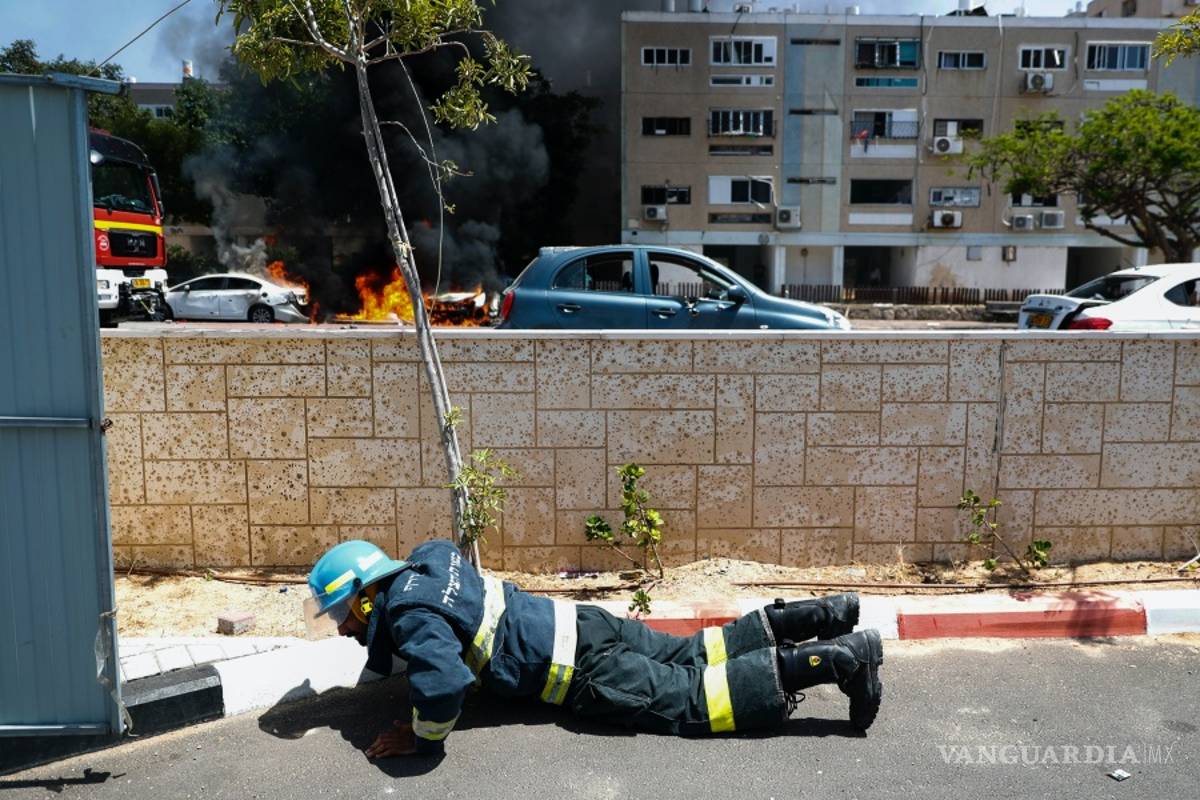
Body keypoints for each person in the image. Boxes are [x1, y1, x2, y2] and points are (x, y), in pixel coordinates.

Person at [305, 539, 884, 758]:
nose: (340, 627)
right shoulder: (430, 559)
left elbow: (443, 684)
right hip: (583, 623)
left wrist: (420, 735)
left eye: (339, 613)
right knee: (695, 651)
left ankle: (836, 659)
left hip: (580, 668)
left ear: (362, 598)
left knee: (697, 699)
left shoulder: (408, 615)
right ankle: (831, 614)